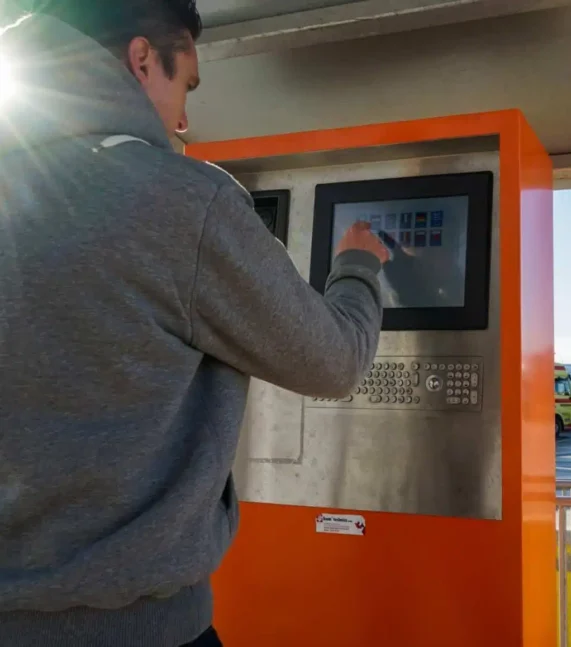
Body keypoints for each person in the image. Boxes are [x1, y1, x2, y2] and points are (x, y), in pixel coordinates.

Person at [0, 2, 389, 646]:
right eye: (187, 86)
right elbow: (335, 361)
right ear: (143, 60)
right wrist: (357, 265)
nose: (184, 119)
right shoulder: (183, 199)